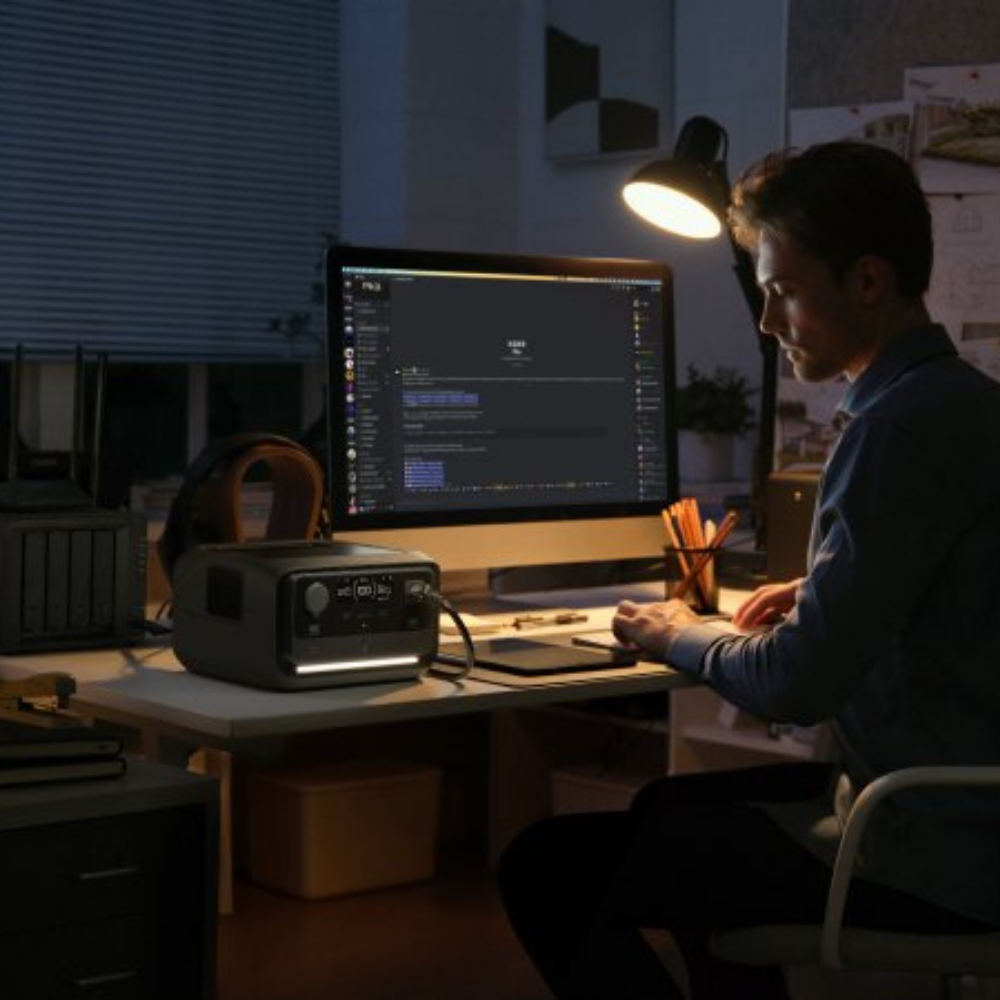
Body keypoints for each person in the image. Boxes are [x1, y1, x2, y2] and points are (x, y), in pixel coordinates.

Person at [498, 141, 1000, 1000]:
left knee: (545, 866)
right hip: (966, 815)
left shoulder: (895, 428)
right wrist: (822, 590)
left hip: (928, 849)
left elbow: (796, 684)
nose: (767, 321)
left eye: (784, 291)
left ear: (868, 282)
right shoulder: (970, 403)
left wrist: (677, 635)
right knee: (668, 813)